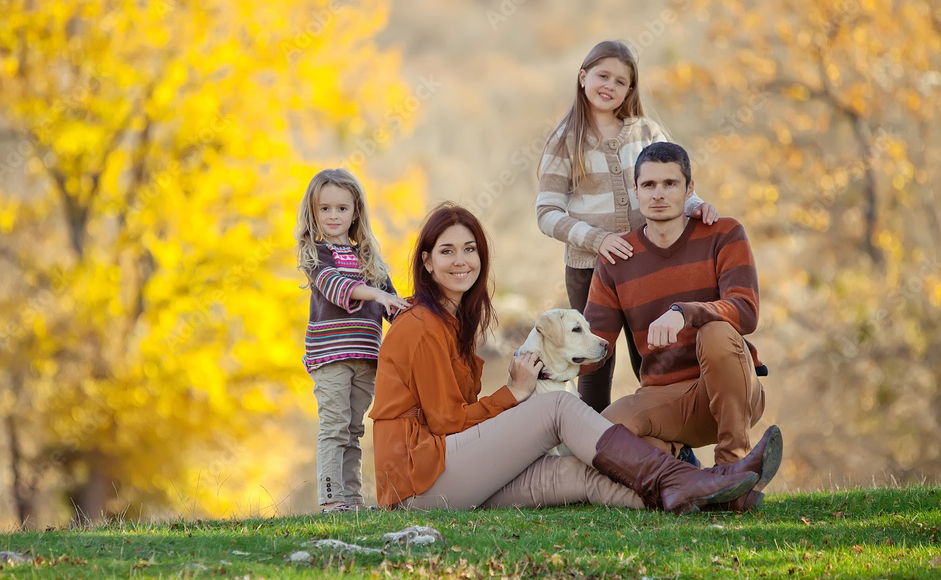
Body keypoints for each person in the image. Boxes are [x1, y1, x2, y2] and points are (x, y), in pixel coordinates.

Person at [370, 203, 773, 515]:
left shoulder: (451, 323)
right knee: (557, 407)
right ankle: (694, 478)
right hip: (417, 478)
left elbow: (456, 420)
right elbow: (447, 422)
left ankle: (706, 496)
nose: (461, 260)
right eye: (447, 251)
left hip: (446, 475)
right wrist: (512, 394)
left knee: (579, 476)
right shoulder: (420, 325)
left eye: (470, 249)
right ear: (426, 261)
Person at [585, 142, 779, 511]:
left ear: (690, 189)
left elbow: (746, 310)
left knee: (716, 330)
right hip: (666, 399)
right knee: (601, 433)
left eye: (670, 184)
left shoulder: (723, 233)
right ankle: (690, 482)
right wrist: (548, 355)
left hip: (731, 388)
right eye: (650, 185)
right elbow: (597, 346)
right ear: (636, 191)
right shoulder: (616, 259)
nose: (659, 194)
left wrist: (683, 312)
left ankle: (732, 468)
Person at [536, 40, 719, 418]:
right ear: (583, 76)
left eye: (622, 81)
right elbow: (547, 212)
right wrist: (597, 239)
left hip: (645, 265)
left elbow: (675, 182)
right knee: (593, 359)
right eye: (603, 75)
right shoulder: (563, 141)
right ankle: (591, 446)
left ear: (630, 90)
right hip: (589, 269)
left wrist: (698, 207)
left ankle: (670, 439)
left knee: (653, 353)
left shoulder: (646, 132)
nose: (611, 86)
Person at [294, 168, 410, 513]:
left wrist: (414, 311)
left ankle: (353, 501)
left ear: (355, 212)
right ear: (313, 212)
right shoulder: (316, 255)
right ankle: (331, 499)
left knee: (355, 430)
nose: (333, 216)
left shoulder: (369, 258)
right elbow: (337, 287)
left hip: (366, 356)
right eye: (325, 209)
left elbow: (394, 305)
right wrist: (377, 294)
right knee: (334, 426)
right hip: (330, 356)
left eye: (342, 209)